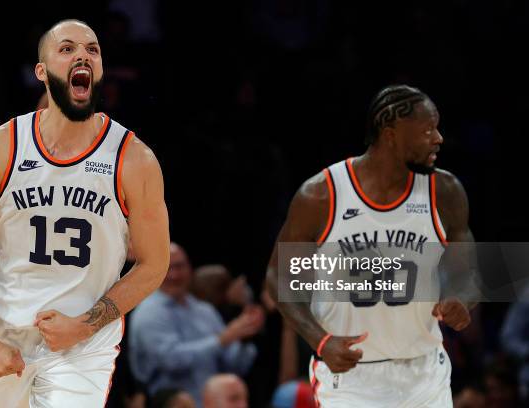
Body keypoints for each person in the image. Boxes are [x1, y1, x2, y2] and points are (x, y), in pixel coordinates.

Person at [0, 19, 169, 407]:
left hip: (83, 344)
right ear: (41, 71)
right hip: (6, 333)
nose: (82, 54)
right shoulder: (1, 147)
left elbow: (154, 264)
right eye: (67, 49)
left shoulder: (134, 159)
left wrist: (85, 326)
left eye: (92, 50)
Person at [266, 85, 475, 407]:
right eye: (427, 130)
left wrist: (461, 298)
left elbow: (468, 272)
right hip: (351, 376)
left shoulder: (444, 191)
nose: (439, 138)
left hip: (425, 371)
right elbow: (280, 278)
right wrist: (319, 342)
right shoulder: (322, 195)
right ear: (391, 135)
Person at [129, 243, 263, 405]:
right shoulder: (149, 312)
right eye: (167, 267)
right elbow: (171, 360)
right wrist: (222, 339)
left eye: (179, 266)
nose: (174, 275)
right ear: (155, 270)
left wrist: (244, 335)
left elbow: (235, 366)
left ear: (190, 269)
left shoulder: (204, 310)